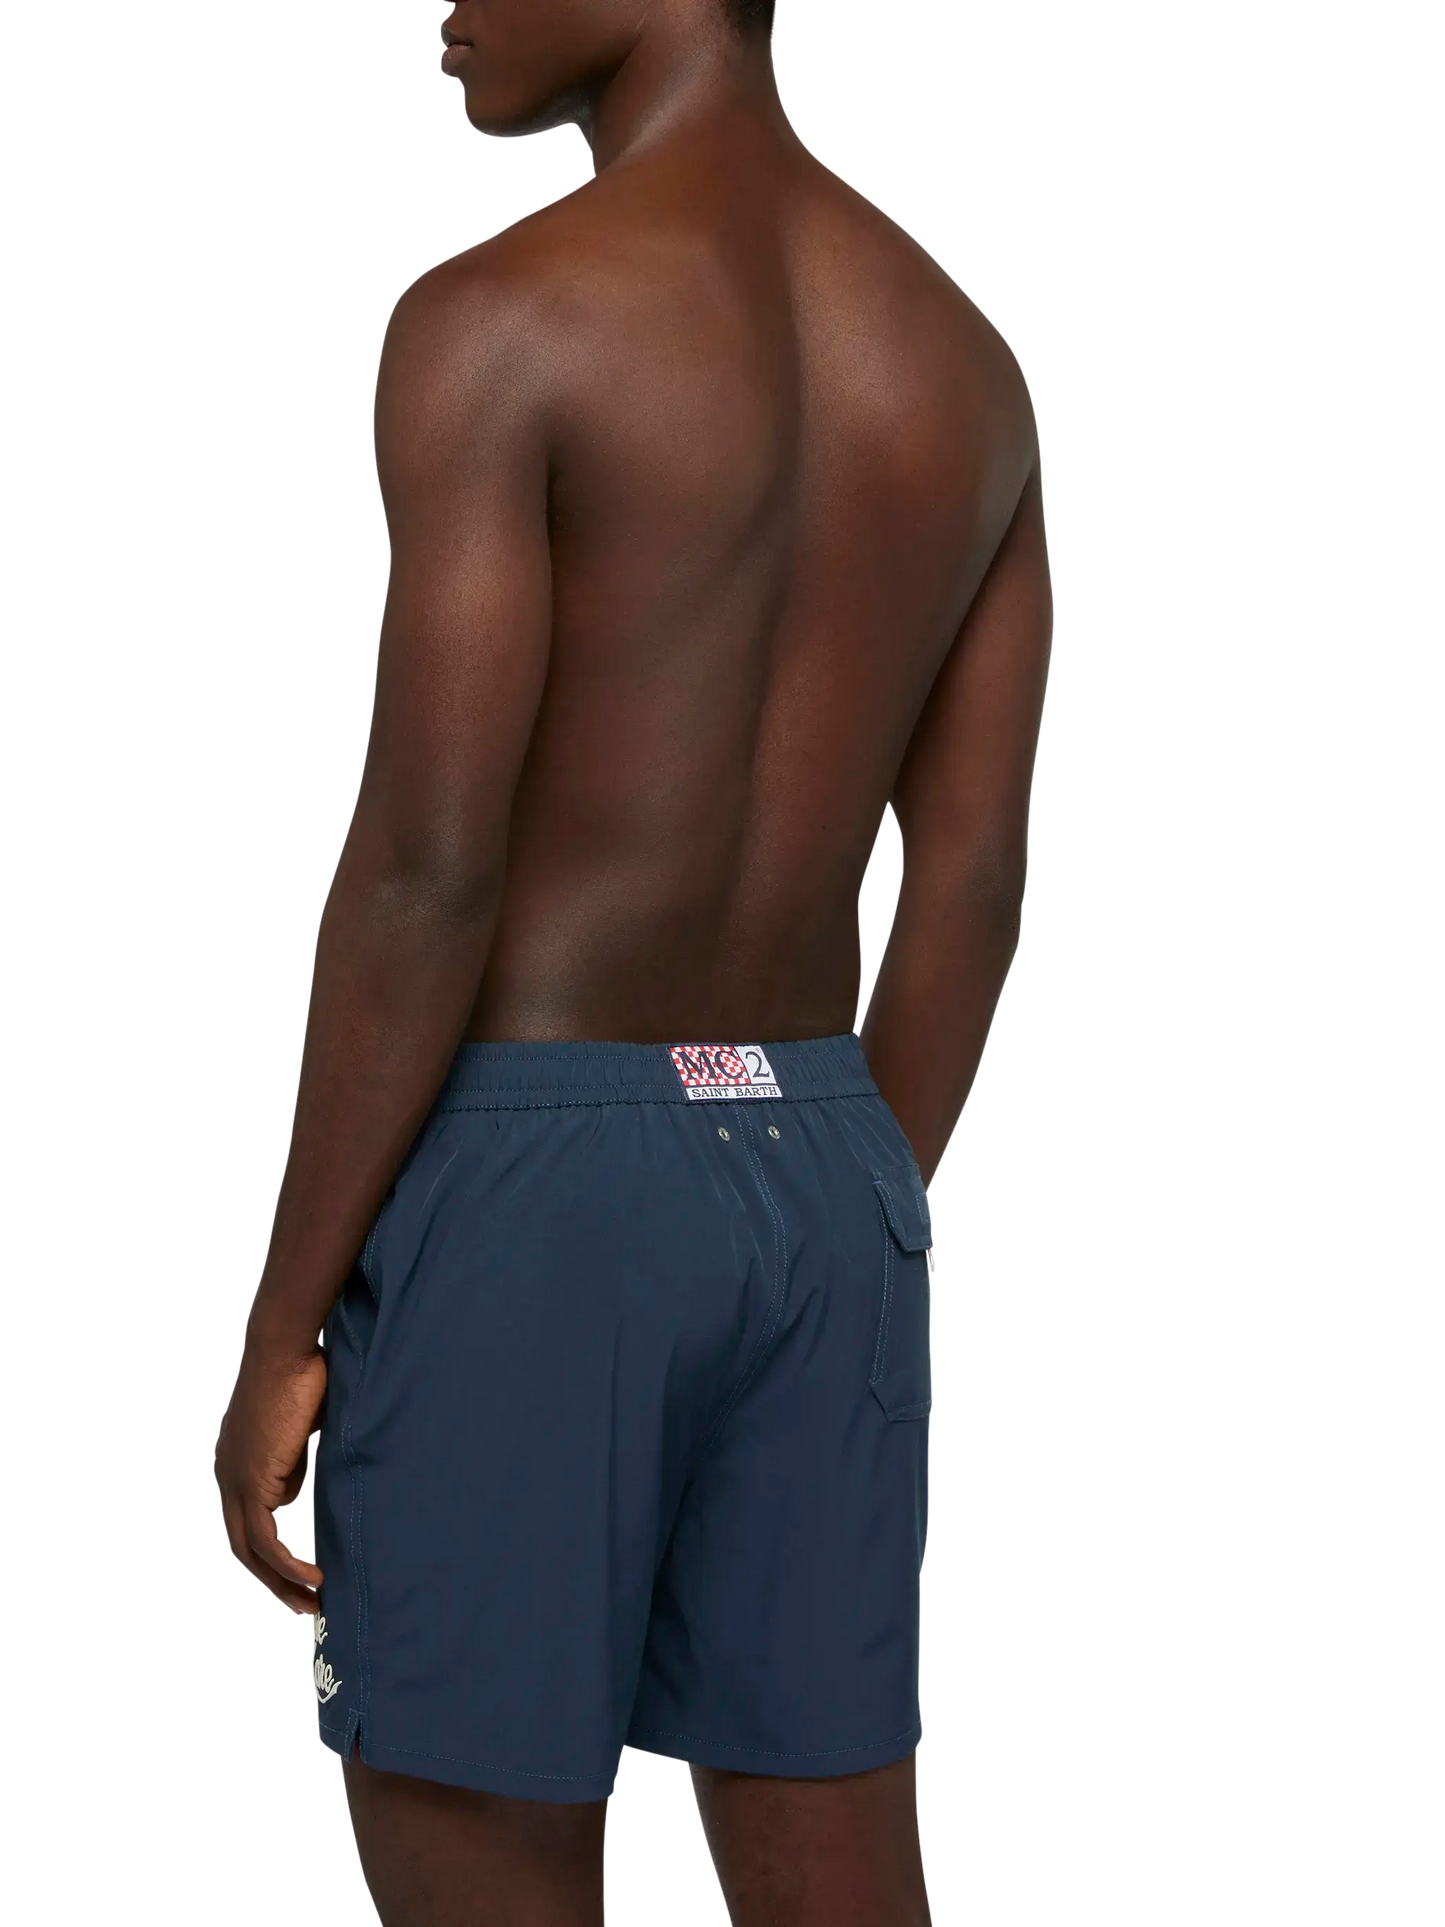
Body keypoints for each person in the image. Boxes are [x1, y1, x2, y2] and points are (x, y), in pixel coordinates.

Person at [211, 1, 1054, 1921]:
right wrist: (845, 1200)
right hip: (826, 1164)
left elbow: (427, 866)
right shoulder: (966, 362)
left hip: (534, 1179)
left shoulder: (503, 320)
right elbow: (977, 879)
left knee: (484, 1868)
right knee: (844, 1868)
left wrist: (280, 1328)